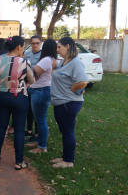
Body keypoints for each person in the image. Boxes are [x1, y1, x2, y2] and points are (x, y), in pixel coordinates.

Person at [0, 36, 35, 170]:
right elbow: (31, 81)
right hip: (19, 97)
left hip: (0, 97)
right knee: (19, 129)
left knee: (2, 126)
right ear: (19, 47)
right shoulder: (25, 62)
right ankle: (19, 161)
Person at [50, 37, 88, 168]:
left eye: (59, 47)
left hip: (68, 102)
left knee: (67, 132)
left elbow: (83, 81)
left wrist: (73, 89)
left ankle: (68, 161)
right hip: (60, 102)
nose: (57, 50)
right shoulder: (65, 61)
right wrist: (55, 66)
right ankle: (65, 157)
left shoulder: (76, 62)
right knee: (64, 131)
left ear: (67, 46)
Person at [26, 39, 57, 154]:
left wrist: (34, 73)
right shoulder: (51, 59)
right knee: (39, 119)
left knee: (40, 120)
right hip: (40, 89)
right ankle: (39, 142)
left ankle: (42, 146)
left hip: (40, 90)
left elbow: (32, 72)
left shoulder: (46, 59)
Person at [24, 35, 43, 141]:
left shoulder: (43, 56)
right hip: (28, 85)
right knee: (29, 109)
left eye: (37, 43)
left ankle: (37, 133)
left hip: (39, 86)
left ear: (40, 43)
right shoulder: (27, 55)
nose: (35, 45)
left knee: (37, 110)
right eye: (33, 43)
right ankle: (29, 130)